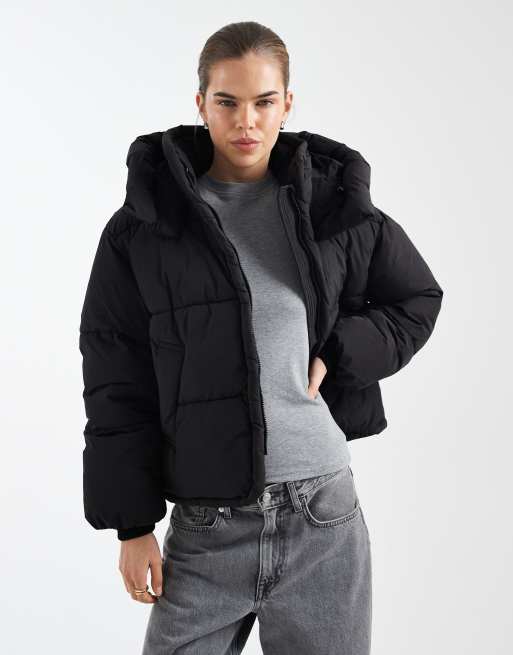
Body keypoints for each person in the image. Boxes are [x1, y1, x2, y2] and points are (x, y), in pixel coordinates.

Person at [78, 21, 444, 655]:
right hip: (207, 525)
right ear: (201, 104)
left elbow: (416, 299)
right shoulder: (144, 227)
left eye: (264, 102)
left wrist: (342, 352)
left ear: (287, 104)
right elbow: (116, 374)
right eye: (227, 101)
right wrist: (132, 525)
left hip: (322, 516)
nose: (246, 121)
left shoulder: (333, 207)